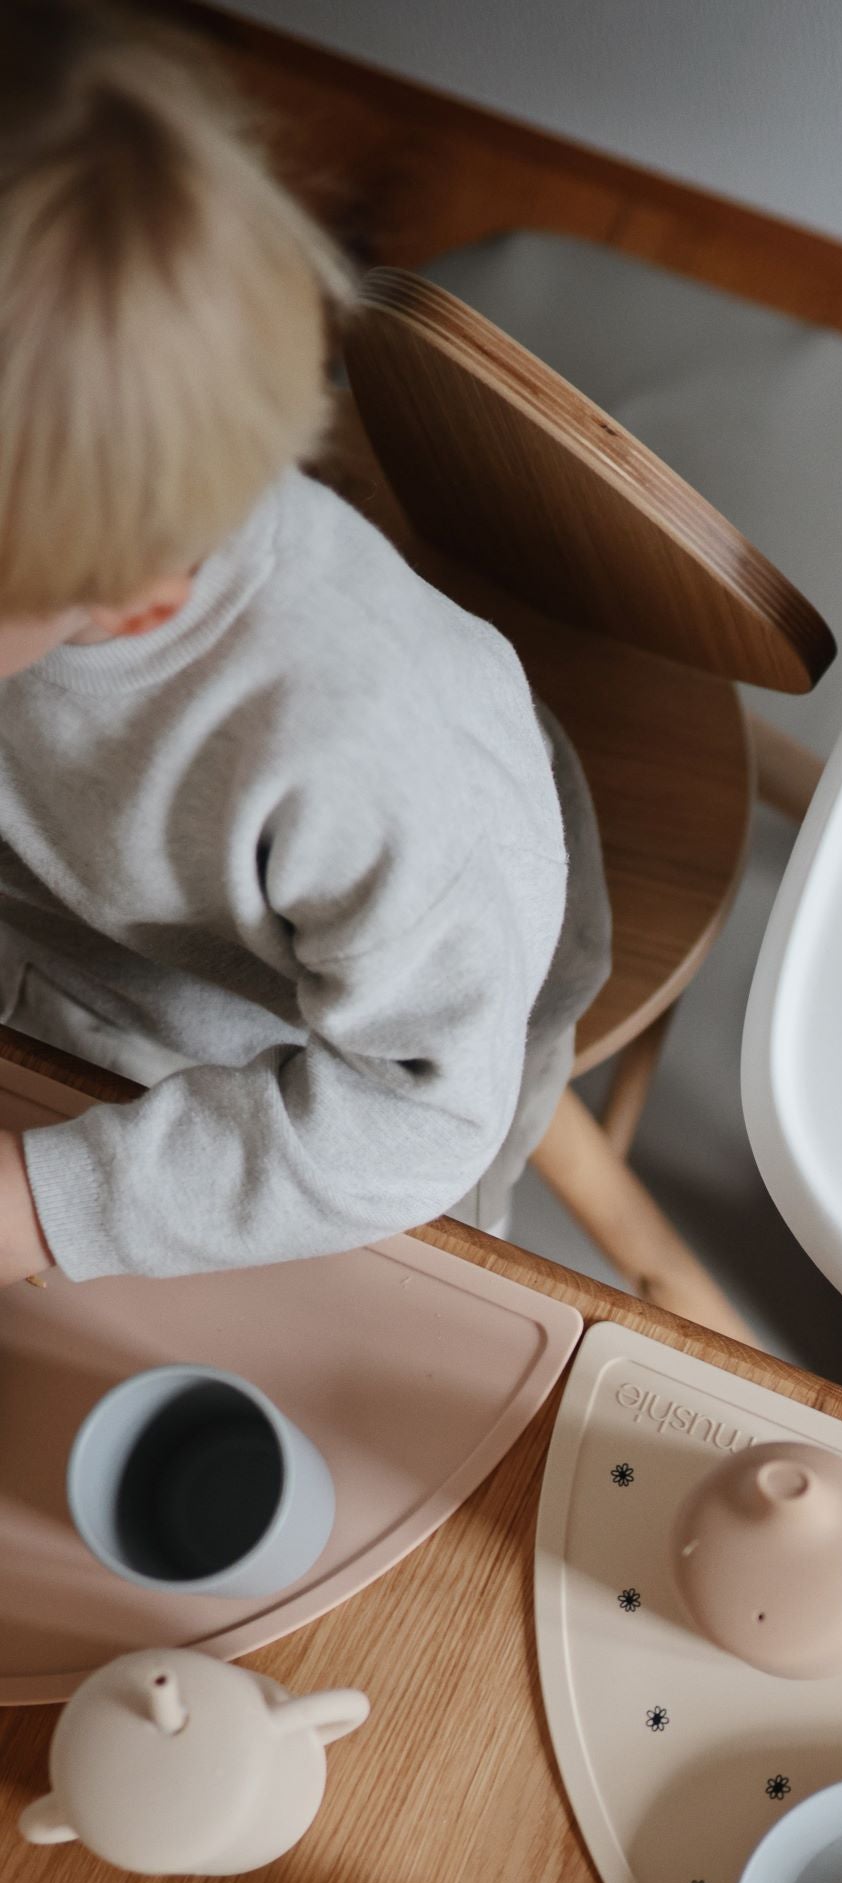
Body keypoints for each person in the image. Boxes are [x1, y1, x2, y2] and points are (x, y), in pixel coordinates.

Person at [0, 0, 608, 1282]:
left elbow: (421, 1118)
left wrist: (44, 1205)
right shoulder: (53, 545)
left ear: (132, 603)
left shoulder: (354, 754)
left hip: (379, 1027)